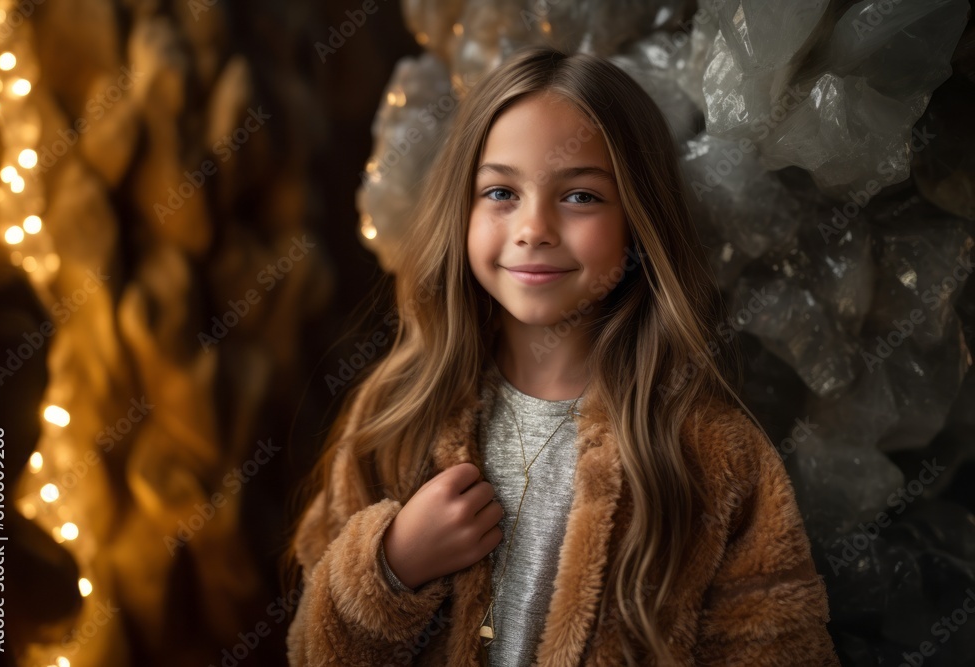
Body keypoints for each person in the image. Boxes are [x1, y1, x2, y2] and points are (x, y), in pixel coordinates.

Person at [285, 45, 839, 666]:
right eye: (500, 192)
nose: (534, 228)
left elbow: (781, 649)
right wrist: (388, 568)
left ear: (639, 219)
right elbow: (312, 651)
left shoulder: (713, 453)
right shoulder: (396, 418)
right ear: (460, 212)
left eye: (580, 197)